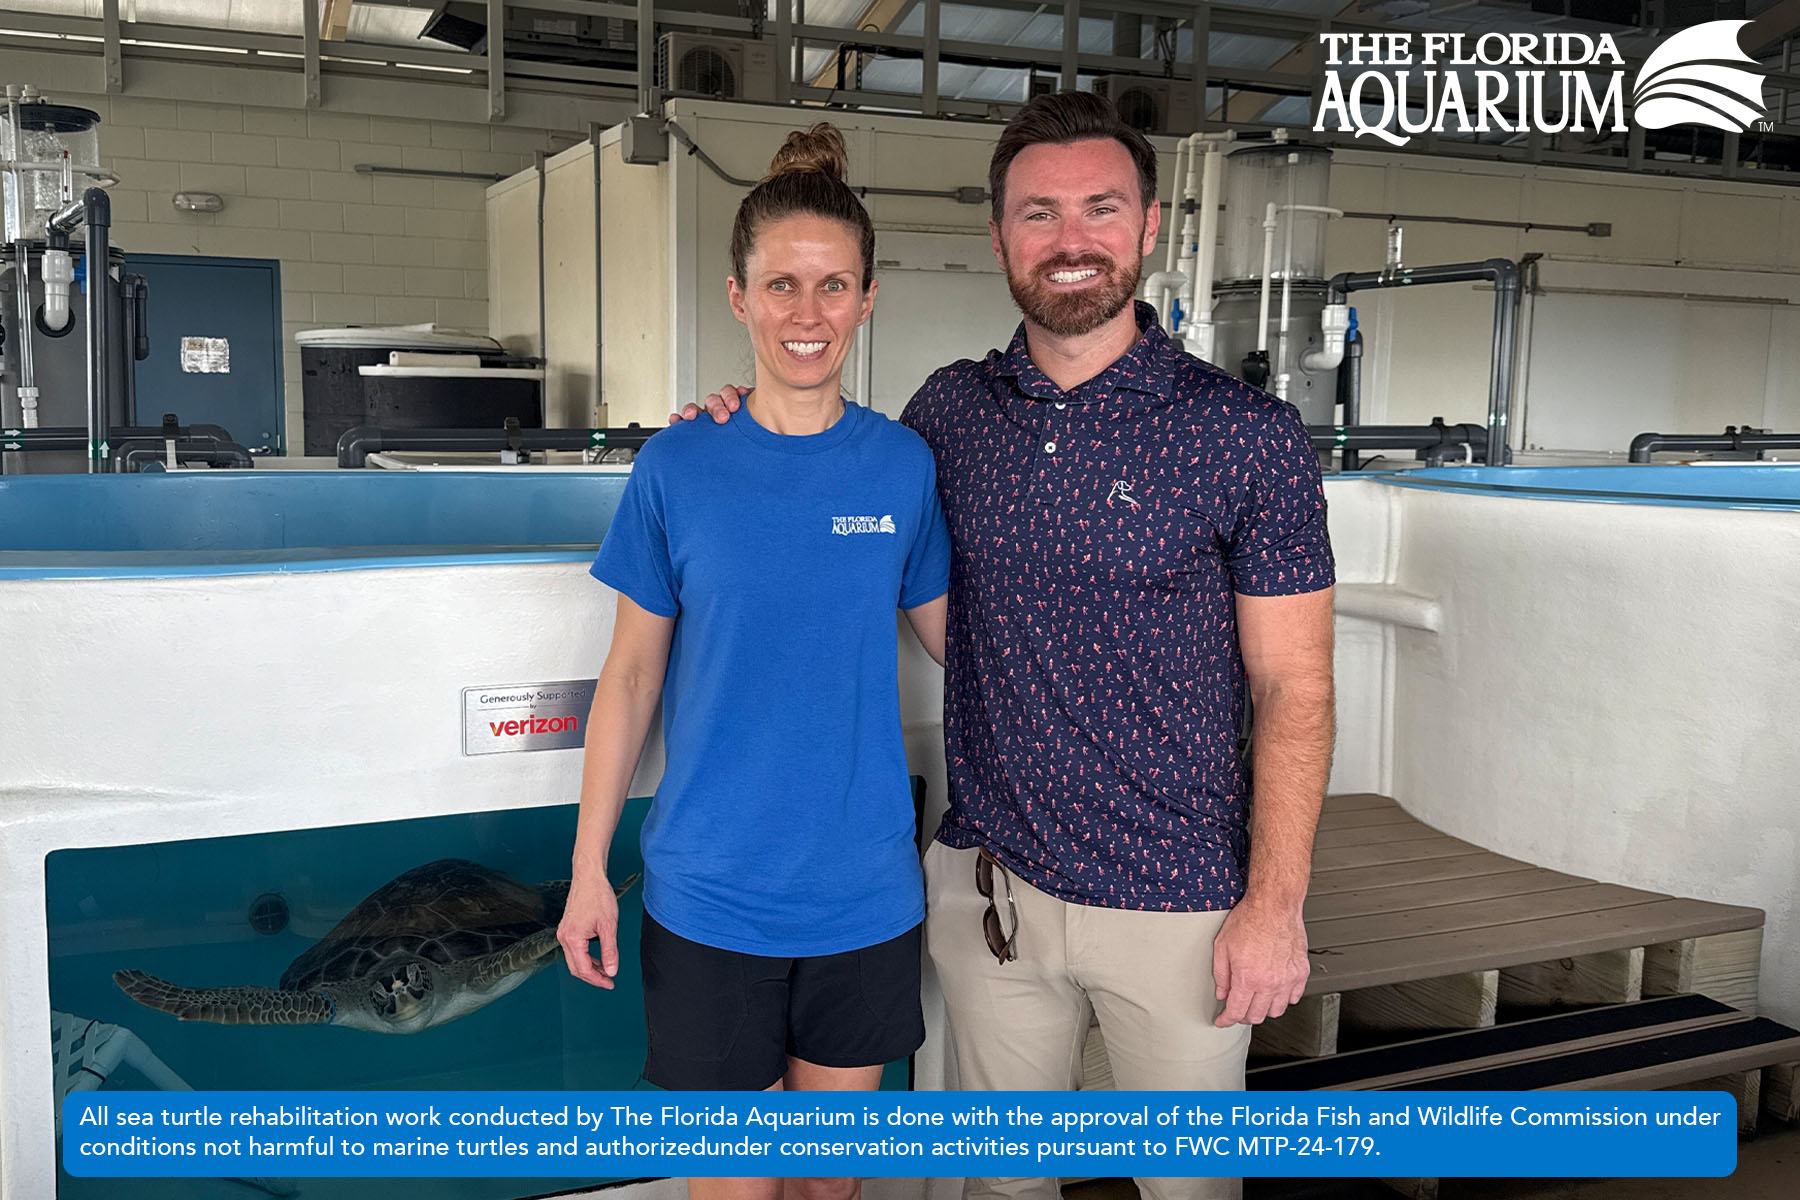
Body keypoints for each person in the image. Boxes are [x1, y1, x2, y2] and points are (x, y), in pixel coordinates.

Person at [680, 92, 1335, 1200]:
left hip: (1180, 905)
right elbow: (834, 465)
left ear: (1148, 225)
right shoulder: (949, 415)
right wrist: (737, 416)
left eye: (1098, 208)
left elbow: (1294, 687)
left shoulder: (1244, 435)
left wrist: (1275, 906)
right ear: (999, 236)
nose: (1070, 238)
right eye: (1039, 212)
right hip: (991, 897)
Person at [558, 123, 952, 1200]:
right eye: (782, 284)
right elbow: (631, 680)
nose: (807, 314)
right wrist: (590, 872)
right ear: (739, 297)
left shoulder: (902, 466)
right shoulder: (679, 464)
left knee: (829, 1186)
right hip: (710, 897)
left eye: (833, 287)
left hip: (863, 896)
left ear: (867, 298)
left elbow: (966, 647)